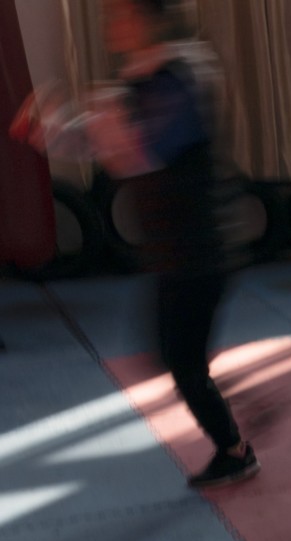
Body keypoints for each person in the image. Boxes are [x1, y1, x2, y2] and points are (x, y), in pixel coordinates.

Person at [13, 0, 256, 488]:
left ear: (151, 18)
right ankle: (234, 407)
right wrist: (47, 130)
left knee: (182, 363)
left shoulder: (182, 75)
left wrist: (97, 120)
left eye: (121, 15)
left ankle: (235, 450)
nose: (111, 25)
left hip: (201, 251)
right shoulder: (139, 80)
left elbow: (141, 153)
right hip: (171, 252)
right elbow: (98, 145)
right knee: (166, 356)